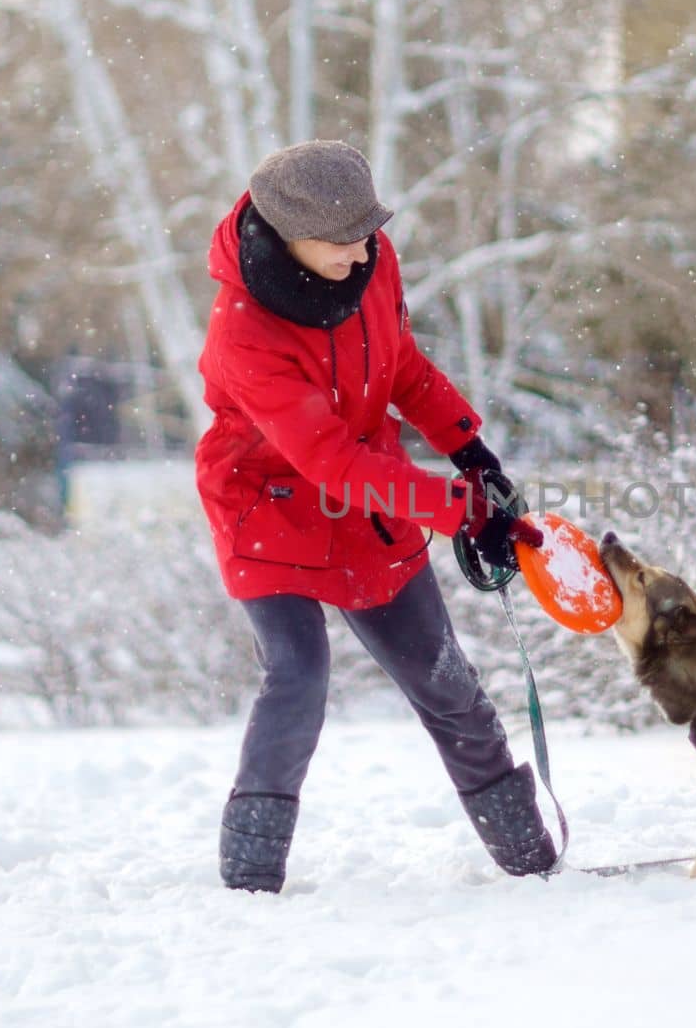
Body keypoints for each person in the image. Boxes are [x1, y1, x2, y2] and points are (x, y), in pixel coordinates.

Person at [194, 140, 553, 893]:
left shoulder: (371, 260)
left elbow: (402, 368)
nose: (362, 252)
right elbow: (325, 461)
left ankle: (533, 865)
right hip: (269, 504)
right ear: (287, 232)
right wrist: (458, 511)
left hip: (373, 499)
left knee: (444, 678)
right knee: (297, 675)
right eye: (343, 238)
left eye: (369, 233)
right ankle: (250, 885)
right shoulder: (243, 334)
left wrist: (471, 453)